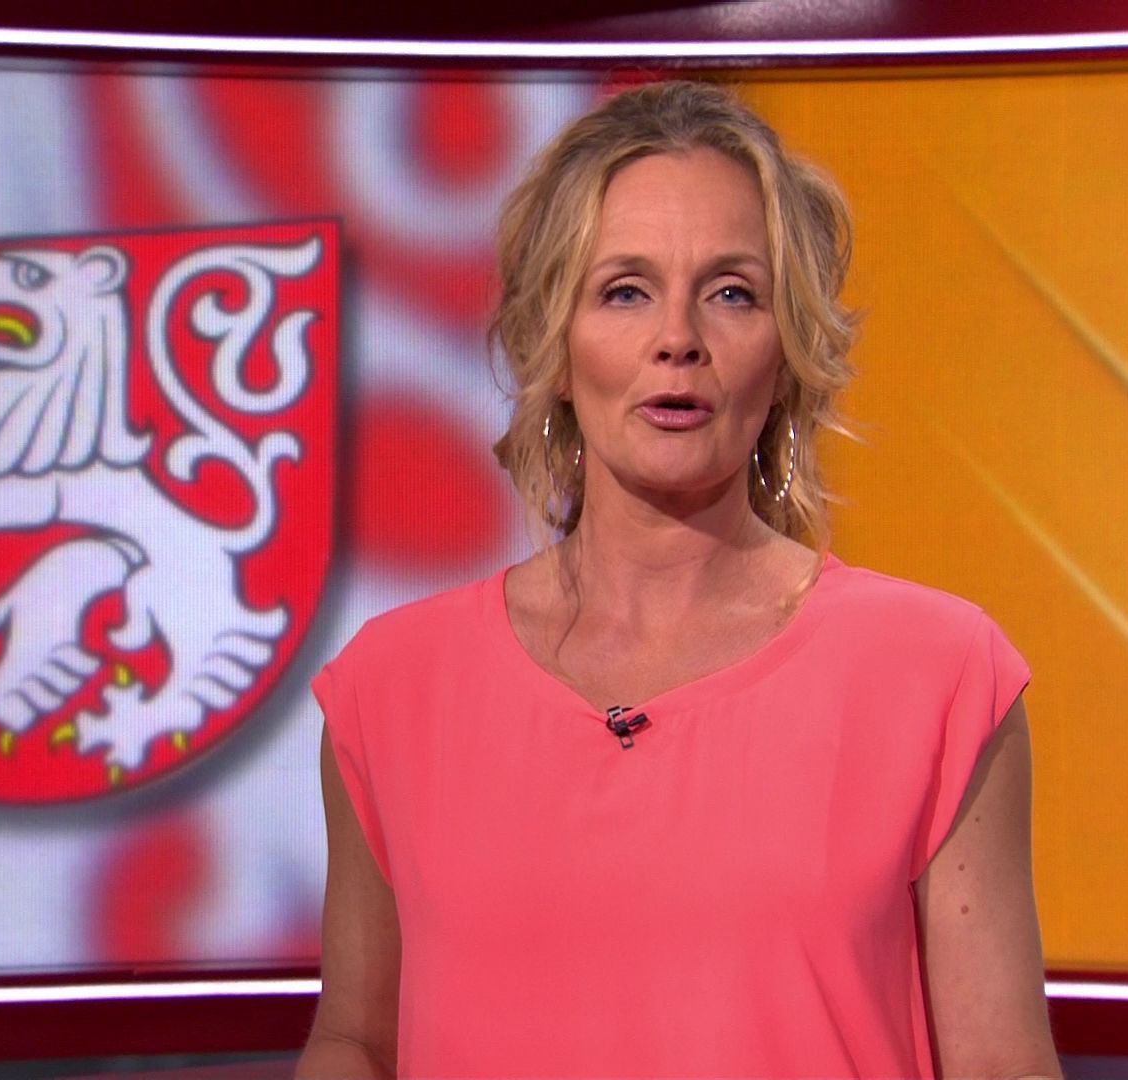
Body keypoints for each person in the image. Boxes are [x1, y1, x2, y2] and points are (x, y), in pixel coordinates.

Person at [296, 80, 1062, 1079]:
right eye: (625, 290)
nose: (679, 339)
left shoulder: (940, 675)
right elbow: (356, 1038)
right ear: (554, 343)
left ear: (787, 352)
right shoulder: (393, 688)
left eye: (732, 292)